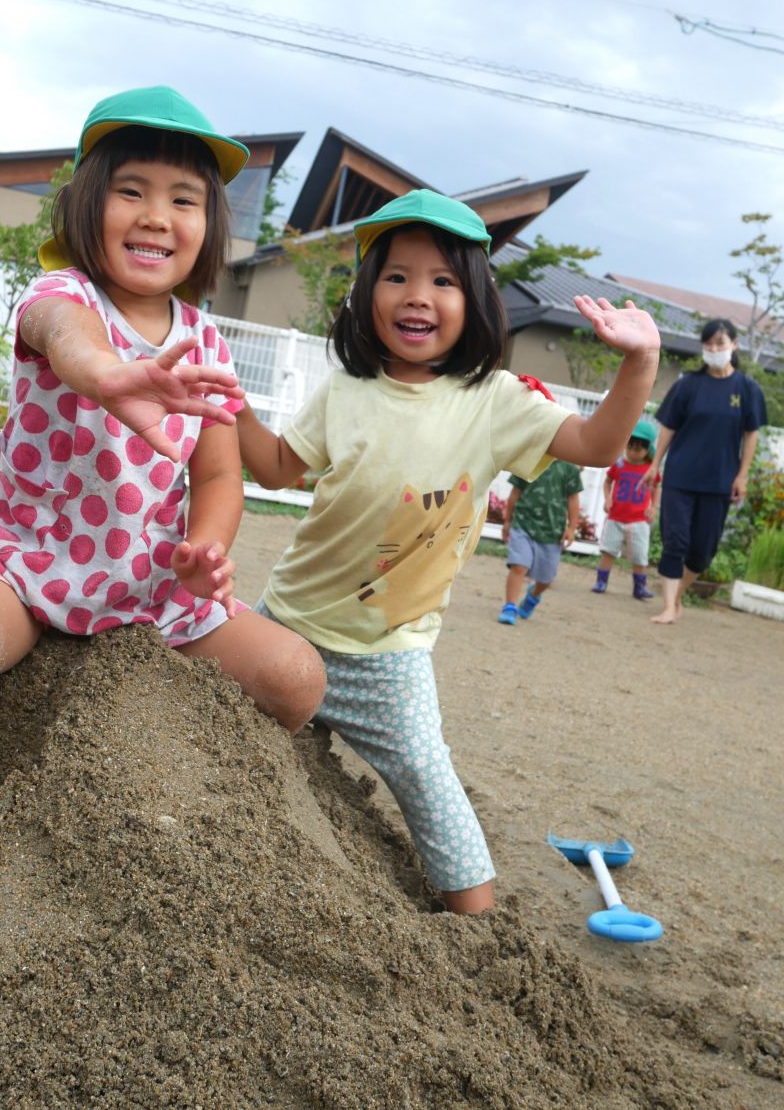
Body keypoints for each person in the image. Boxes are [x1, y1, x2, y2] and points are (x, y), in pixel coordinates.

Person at [0, 86, 325, 834]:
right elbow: (63, 334)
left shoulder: (204, 342)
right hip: (26, 566)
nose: (156, 216)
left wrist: (207, 547)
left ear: (210, 227)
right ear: (84, 203)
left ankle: (191, 801)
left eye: (185, 200)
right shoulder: (62, 294)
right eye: (130, 191)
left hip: (152, 589)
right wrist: (107, 374)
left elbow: (220, 473)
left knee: (297, 679)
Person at [235, 189, 660, 914]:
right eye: (396, 276)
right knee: (237, 733)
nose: (417, 296)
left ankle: (477, 928)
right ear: (369, 293)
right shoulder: (345, 390)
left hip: (385, 655)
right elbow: (276, 468)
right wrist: (227, 402)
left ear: (477, 300)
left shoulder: (492, 400)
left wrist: (640, 363)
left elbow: (598, 446)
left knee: (429, 782)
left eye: (443, 281)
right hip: (287, 621)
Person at [645, 318, 767, 625]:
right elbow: (668, 427)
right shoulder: (687, 385)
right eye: (708, 344)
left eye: (720, 344)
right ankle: (670, 606)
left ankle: (678, 595)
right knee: (675, 542)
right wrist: (654, 464)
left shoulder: (747, 389)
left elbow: (751, 434)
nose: (714, 350)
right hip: (680, 476)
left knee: (702, 552)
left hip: (719, 481)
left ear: (734, 346)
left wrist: (742, 475)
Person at [497, 460, 583, 625]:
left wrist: (572, 527)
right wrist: (508, 521)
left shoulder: (570, 468)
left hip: (552, 532)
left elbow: (573, 499)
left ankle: (533, 596)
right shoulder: (530, 459)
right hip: (523, 524)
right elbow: (515, 492)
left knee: (546, 578)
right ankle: (510, 606)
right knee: (519, 565)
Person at [591, 418, 661, 599]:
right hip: (615, 517)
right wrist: (607, 499)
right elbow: (607, 482)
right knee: (608, 551)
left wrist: (654, 507)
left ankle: (639, 587)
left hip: (639, 520)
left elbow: (656, 488)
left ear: (647, 449)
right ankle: (601, 582)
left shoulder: (650, 469)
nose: (632, 452)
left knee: (640, 555)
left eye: (638, 449)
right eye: (630, 447)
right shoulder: (619, 465)